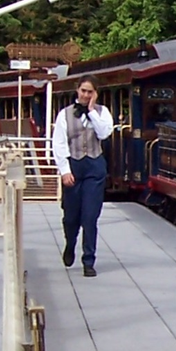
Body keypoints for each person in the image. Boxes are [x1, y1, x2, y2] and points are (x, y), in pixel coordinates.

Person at [51, 75, 113, 277]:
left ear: (95, 93)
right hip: (74, 166)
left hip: (95, 167)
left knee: (90, 217)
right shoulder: (65, 114)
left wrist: (92, 111)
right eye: (83, 90)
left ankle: (89, 260)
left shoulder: (103, 113)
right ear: (77, 90)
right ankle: (70, 244)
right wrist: (64, 170)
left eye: (90, 91)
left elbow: (104, 133)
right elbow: (59, 143)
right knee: (71, 217)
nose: (86, 95)